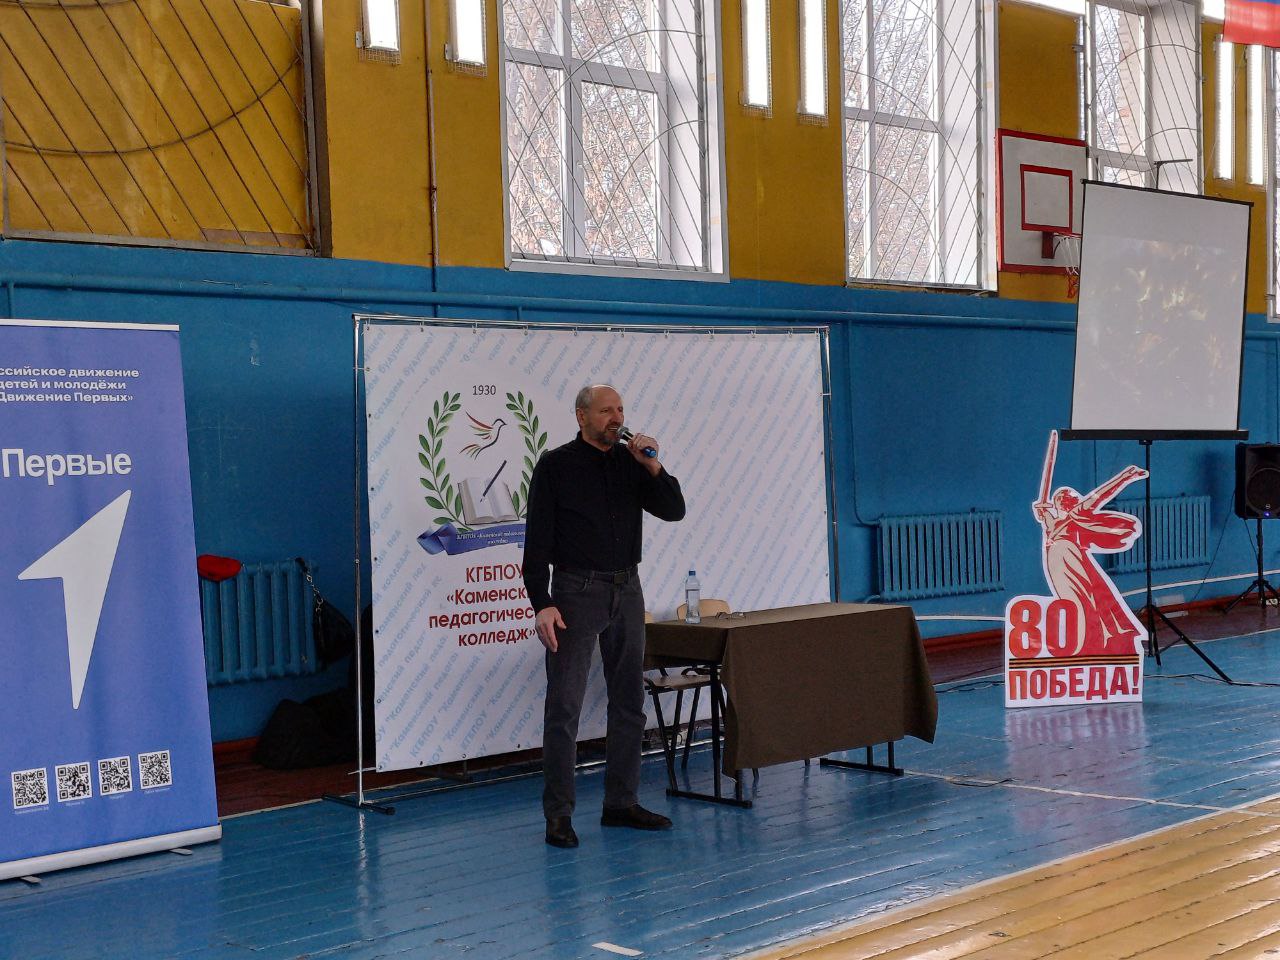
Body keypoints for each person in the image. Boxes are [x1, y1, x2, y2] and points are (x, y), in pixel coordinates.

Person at [523, 384, 686, 848]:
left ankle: (621, 803)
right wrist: (541, 602)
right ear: (581, 416)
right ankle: (559, 815)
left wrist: (653, 466)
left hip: (627, 589)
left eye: (620, 410)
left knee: (629, 700)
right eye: (606, 411)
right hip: (576, 591)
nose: (616, 418)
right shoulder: (556, 465)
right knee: (565, 706)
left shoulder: (631, 463)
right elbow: (536, 541)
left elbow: (674, 510)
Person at [1032, 464, 1148, 657]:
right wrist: (1042, 511)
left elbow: (1099, 495)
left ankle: (1097, 641)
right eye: (1061, 500)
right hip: (1059, 566)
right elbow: (1047, 520)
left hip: (1072, 562)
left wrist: (1126, 476)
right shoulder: (1054, 524)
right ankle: (1085, 642)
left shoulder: (1077, 513)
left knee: (1086, 600)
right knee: (1074, 601)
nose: (1064, 502)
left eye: (1066, 499)